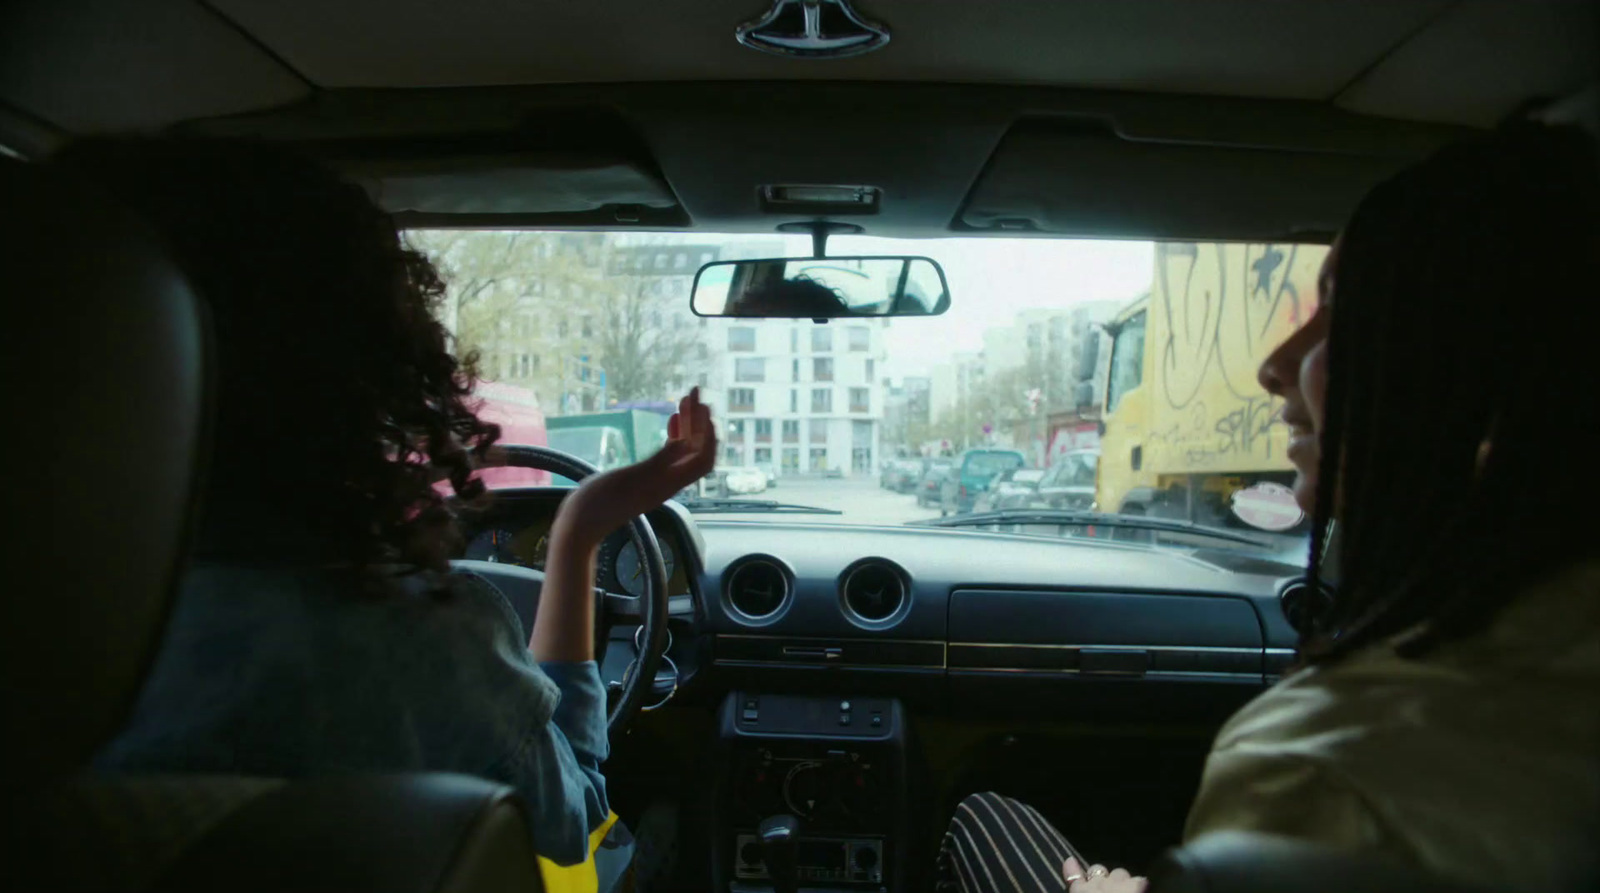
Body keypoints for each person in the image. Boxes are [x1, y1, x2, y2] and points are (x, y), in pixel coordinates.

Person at [938, 123, 1600, 893]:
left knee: (987, 817)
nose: (1274, 365)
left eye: (1342, 313)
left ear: (1503, 380)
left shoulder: (1325, 767)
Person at [64, 138, 716, 890]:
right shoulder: (425, 645)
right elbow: (574, 848)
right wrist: (576, 536)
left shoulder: (51, 644)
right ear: (356, 372)